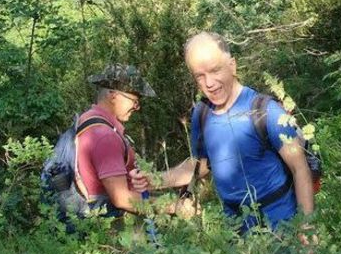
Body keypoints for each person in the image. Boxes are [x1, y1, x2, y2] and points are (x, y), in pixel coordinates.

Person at [133, 32, 315, 233]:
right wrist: (154, 180)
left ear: (232, 65)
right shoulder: (202, 114)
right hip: (236, 229)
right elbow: (201, 167)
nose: (209, 83)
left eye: (215, 70)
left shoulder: (267, 111)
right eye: (199, 76)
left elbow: (300, 169)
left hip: (281, 225)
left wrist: (306, 228)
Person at [78, 64, 189, 218]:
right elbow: (122, 199)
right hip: (111, 228)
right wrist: (175, 206)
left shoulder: (87, 120)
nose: (137, 107)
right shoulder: (105, 137)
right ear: (113, 96)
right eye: (134, 100)